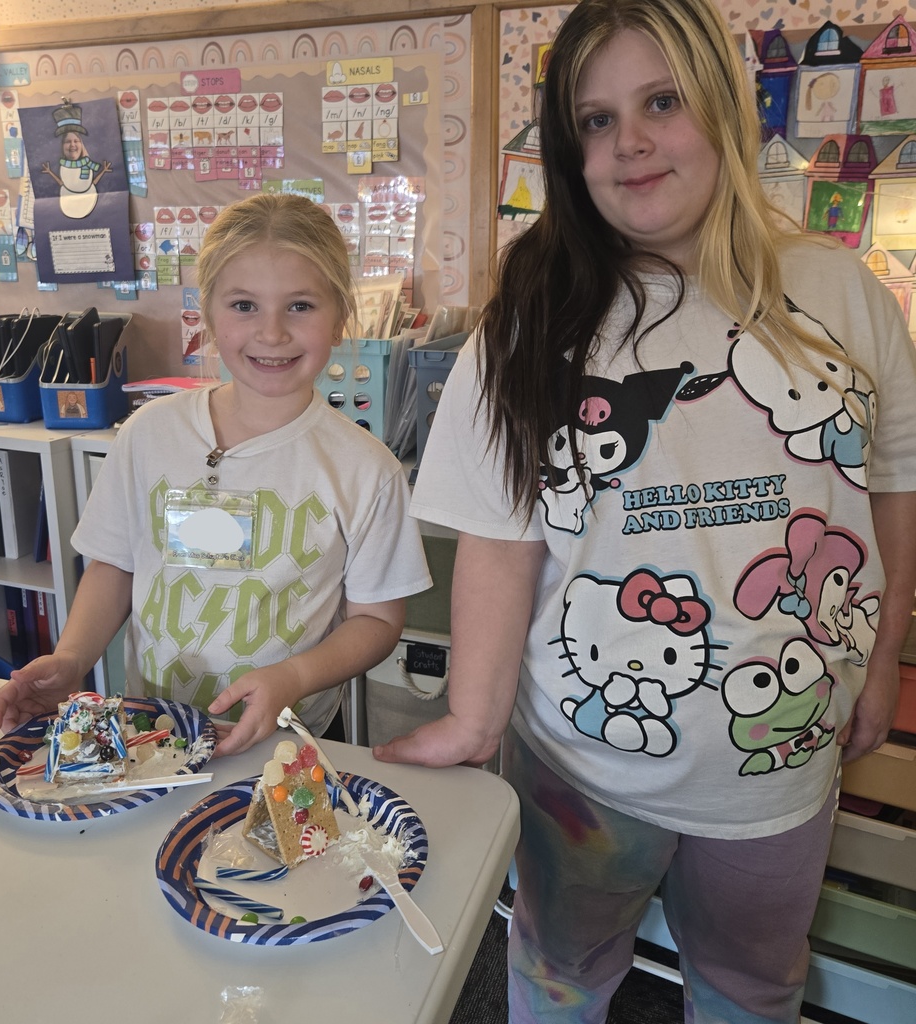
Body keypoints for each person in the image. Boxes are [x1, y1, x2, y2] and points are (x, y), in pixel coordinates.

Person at [374, 2, 916, 1022]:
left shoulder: (841, 293)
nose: (628, 142)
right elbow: (500, 537)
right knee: (559, 975)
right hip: (582, 770)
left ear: (721, 104)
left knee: (752, 985)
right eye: (593, 119)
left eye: (659, 101)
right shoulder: (533, 317)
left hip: (779, 765)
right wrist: (471, 718)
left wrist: (882, 655)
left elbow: (892, 481)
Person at [0, 193, 431, 757]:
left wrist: (292, 678)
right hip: (150, 733)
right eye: (244, 305)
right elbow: (115, 565)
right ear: (207, 315)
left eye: (300, 306)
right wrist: (74, 657)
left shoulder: (368, 469)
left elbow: (376, 620)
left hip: (286, 742)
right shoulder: (148, 434)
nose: (271, 333)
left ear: (340, 318)